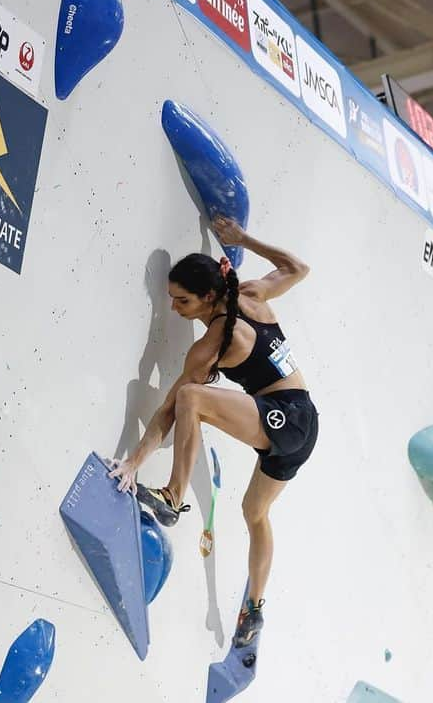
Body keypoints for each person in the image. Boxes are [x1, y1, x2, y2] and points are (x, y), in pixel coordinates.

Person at [109, 215, 318, 648]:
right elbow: (298, 269)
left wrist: (133, 462)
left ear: (207, 298)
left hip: (285, 416)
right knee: (254, 513)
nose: (173, 309)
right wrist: (244, 240)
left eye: (182, 302)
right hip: (304, 423)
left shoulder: (214, 343)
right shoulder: (252, 293)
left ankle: (172, 496)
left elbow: (173, 408)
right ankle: (254, 608)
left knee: (191, 398)